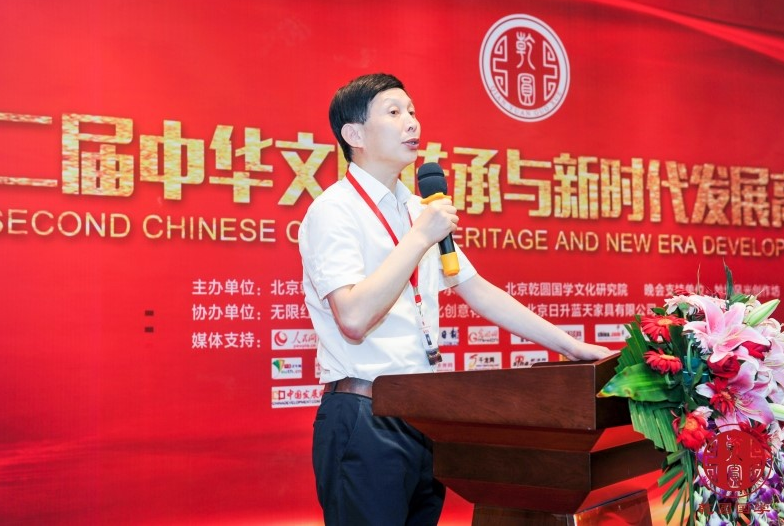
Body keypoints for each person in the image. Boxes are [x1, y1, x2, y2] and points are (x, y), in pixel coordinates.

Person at [298, 72, 612, 526]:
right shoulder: (334, 211)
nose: (411, 122)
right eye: (393, 112)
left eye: (412, 111)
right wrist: (419, 237)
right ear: (354, 135)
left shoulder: (417, 208)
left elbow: (478, 290)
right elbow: (353, 317)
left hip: (426, 415)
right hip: (364, 415)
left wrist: (572, 347)